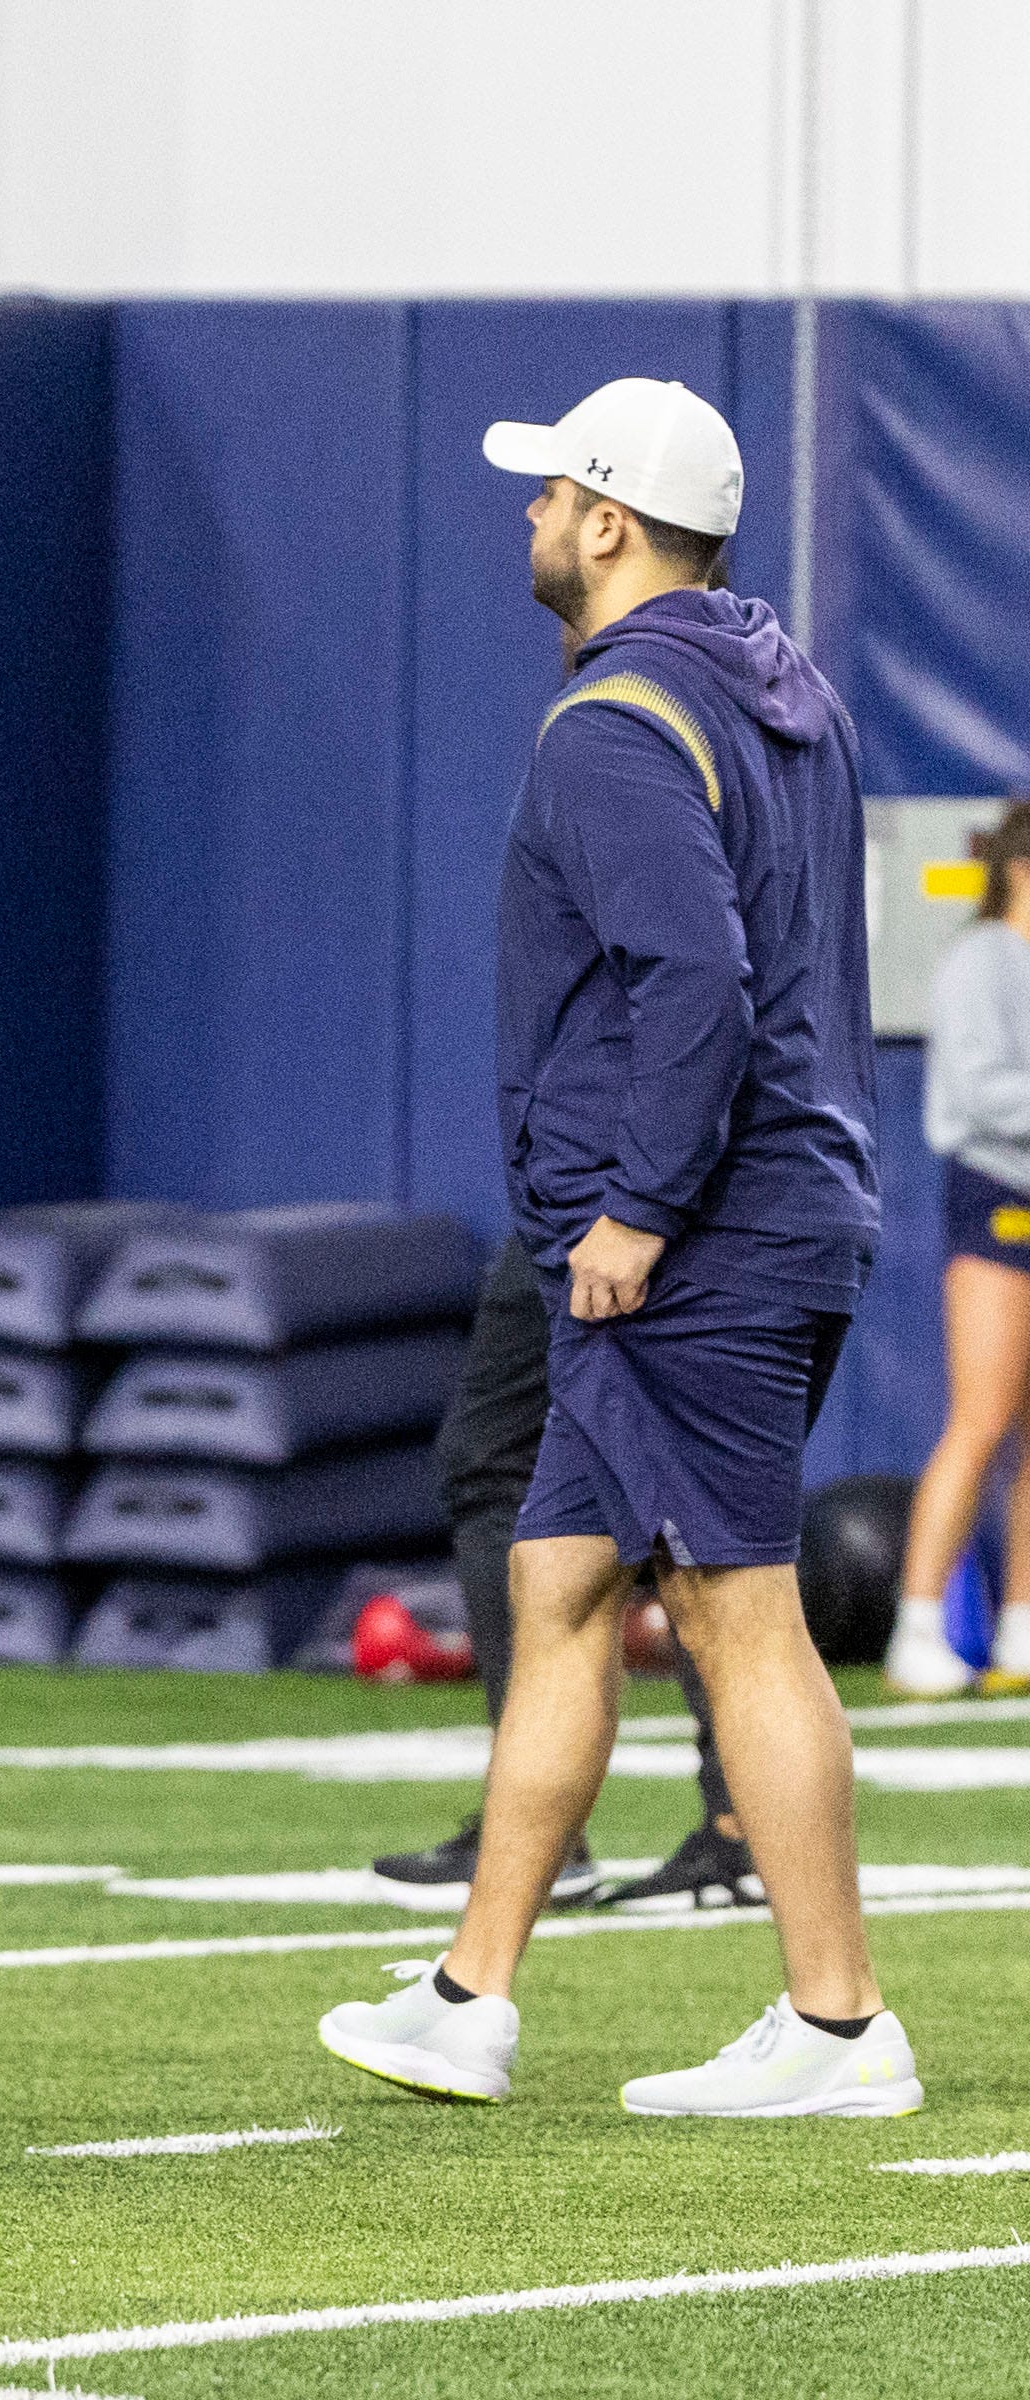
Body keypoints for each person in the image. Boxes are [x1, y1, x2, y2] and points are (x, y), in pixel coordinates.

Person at [317, 377, 918, 2119]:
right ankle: (468, 1996)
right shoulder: (783, 699)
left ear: (609, 521)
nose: (527, 520)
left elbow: (699, 982)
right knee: (559, 1584)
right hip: (768, 1210)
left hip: (695, 1239)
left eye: (551, 493)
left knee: (738, 1612)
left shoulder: (611, 725)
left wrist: (640, 1210)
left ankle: (834, 2026)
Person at [372, 1235, 764, 1911]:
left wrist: (635, 1210)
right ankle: (750, 1834)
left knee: (498, 1461)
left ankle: (542, 1838)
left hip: (610, 1206)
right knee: (697, 1484)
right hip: (722, 1212)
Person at [885, 800, 1030, 1698]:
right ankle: (916, 1625)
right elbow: (978, 1093)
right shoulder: (980, 960)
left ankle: (1021, 1628)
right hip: (998, 1202)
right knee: (979, 1420)